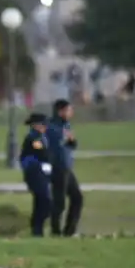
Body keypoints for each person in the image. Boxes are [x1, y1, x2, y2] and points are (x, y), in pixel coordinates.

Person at [45, 98, 83, 236]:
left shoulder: (66, 126)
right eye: (68, 110)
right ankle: (55, 231)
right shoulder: (51, 127)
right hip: (57, 168)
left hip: (67, 168)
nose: (71, 112)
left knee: (77, 198)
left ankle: (69, 231)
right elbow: (54, 146)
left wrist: (72, 141)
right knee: (59, 202)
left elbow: (71, 145)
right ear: (60, 111)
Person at [20, 112, 53, 237]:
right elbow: (42, 153)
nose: (45, 127)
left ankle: (37, 229)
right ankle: (37, 227)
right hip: (35, 172)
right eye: (43, 125)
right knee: (44, 200)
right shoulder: (34, 138)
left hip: (41, 172)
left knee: (41, 201)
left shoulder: (42, 137)